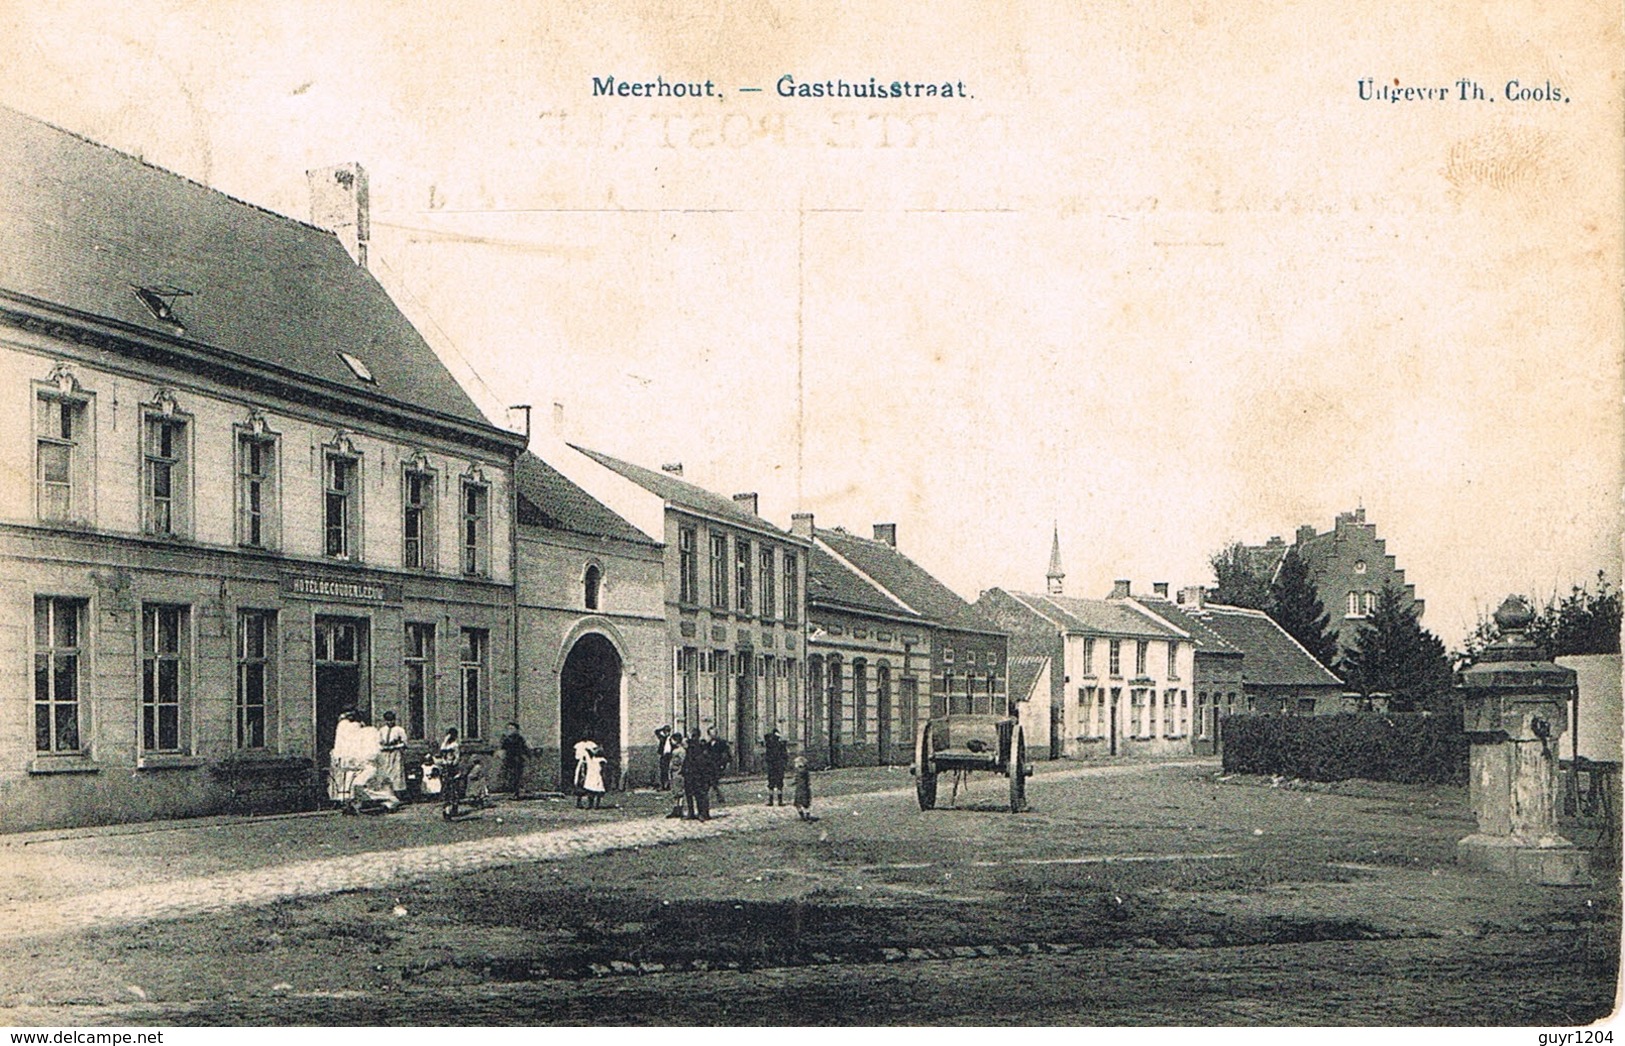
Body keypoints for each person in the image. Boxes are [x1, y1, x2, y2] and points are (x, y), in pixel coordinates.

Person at [374, 711, 407, 802]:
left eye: (392, 720)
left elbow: (404, 743)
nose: (390, 723)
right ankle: (386, 794)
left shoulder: (399, 730)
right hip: (385, 754)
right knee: (385, 772)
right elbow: (378, 742)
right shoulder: (382, 730)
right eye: (388, 721)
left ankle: (397, 795)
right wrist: (383, 746)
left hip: (395, 754)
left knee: (396, 773)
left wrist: (395, 746)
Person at [684, 729, 712, 821]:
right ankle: (691, 812)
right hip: (690, 773)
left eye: (692, 736)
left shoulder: (701, 747)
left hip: (699, 774)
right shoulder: (689, 747)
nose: (691, 738)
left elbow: (703, 760)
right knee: (689, 794)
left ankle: (703, 813)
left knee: (700, 794)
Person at [498, 721, 529, 796]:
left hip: (518, 760)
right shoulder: (506, 739)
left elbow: (524, 748)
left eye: (512, 728)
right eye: (508, 728)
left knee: (517, 776)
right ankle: (511, 790)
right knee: (509, 775)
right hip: (509, 760)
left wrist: (525, 756)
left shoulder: (519, 739)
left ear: (516, 730)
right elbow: (503, 748)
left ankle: (517, 791)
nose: (510, 730)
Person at [763, 727, 789, 807]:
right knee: (779, 783)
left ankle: (771, 801)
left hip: (771, 766)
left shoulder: (769, 745)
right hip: (779, 765)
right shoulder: (781, 744)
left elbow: (765, 737)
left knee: (771, 783)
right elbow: (785, 755)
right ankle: (780, 801)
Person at [578, 742, 608, 809]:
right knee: (590, 791)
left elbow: (603, 770)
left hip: (596, 776)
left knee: (596, 792)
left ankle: (596, 805)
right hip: (591, 775)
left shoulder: (601, 760)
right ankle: (591, 804)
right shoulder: (592, 759)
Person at [707, 728, 731, 805]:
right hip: (710, 765)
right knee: (712, 782)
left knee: (713, 781)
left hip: (718, 765)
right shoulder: (708, 744)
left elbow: (726, 755)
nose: (712, 735)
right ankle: (718, 796)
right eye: (711, 733)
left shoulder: (722, 743)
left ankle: (719, 796)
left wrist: (724, 764)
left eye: (714, 733)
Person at [666, 736, 688, 818]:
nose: (671, 742)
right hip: (674, 773)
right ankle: (675, 809)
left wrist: (681, 771)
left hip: (679, 773)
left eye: (672, 740)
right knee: (675, 792)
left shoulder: (681, 751)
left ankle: (680, 809)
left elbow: (683, 762)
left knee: (680, 792)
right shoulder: (675, 750)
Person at [792, 754, 813, 821]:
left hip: (801, 788)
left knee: (798, 803)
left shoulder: (800, 771)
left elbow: (799, 779)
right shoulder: (805, 771)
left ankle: (803, 816)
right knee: (805, 804)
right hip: (805, 788)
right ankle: (807, 815)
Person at [655, 725, 675, 790]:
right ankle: (663, 785)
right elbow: (656, 731)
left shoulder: (671, 738)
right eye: (666, 731)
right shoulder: (662, 738)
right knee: (663, 771)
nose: (667, 732)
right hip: (663, 755)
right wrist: (662, 729)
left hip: (669, 755)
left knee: (668, 771)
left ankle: (668, 785)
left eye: (668, 731)